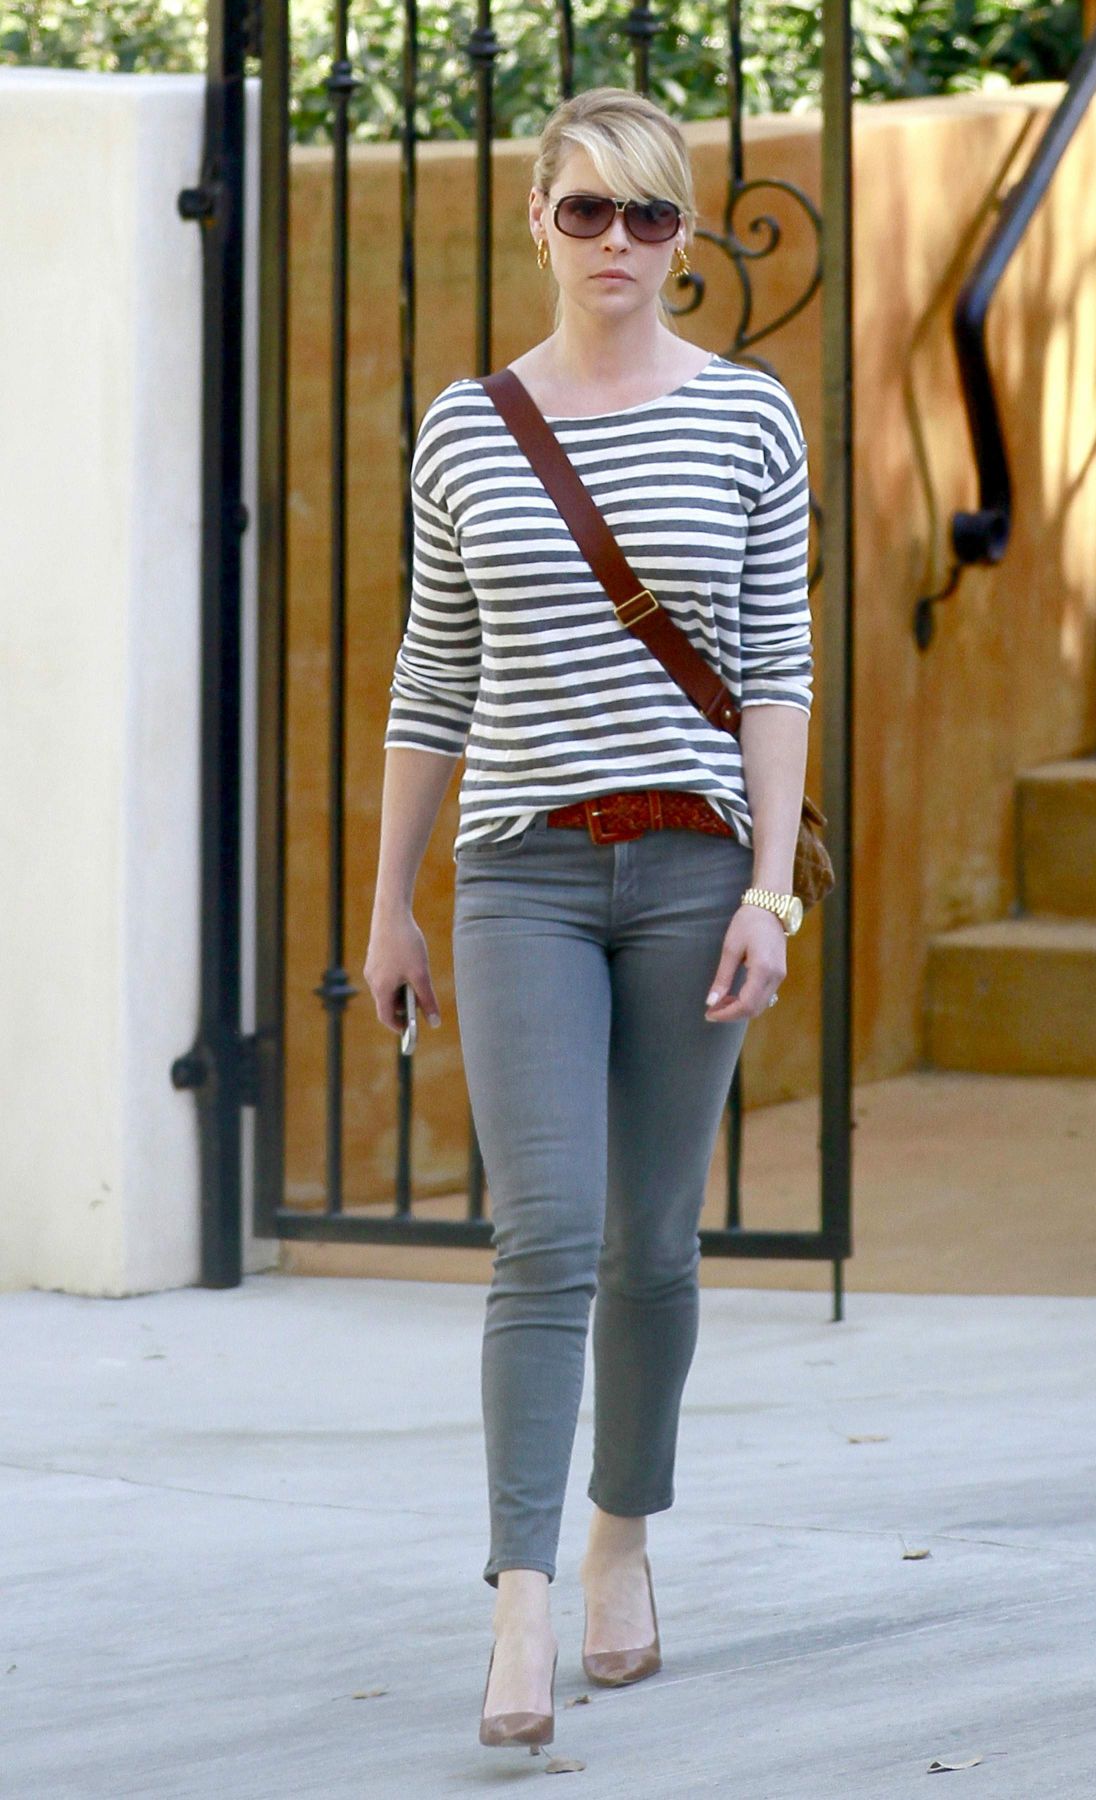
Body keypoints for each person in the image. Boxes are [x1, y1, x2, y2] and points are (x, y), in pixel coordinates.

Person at [363, 84, 813, 1749]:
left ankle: (624, 1535)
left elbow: (777, 667)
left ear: (682, 237)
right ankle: (522, 1599)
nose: (617, 240)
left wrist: (769, 890)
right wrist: (392, 905)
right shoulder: (468, 427)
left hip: (696, 875)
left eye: (649, 213)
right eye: (586, 210)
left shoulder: (749, 416)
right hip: (524, 878)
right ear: (537, 222)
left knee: (653, 1241)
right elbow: (434, 672)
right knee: (544, 1230)